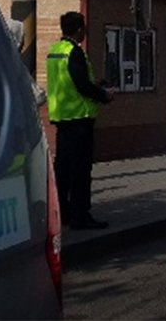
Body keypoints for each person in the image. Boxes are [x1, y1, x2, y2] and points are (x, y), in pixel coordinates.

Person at [46, 12, 113, 229]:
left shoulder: (55, 51)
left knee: (63, 170)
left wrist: (96, 83)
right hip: (79, 119)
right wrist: (104, 95)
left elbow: (69, 82)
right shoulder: (74, 52)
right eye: (83, 28)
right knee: (80, 171)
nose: (84, 32)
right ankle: (80, 216)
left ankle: (63, 213)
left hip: (62, 117)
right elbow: (81, 85)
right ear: (78, 30)